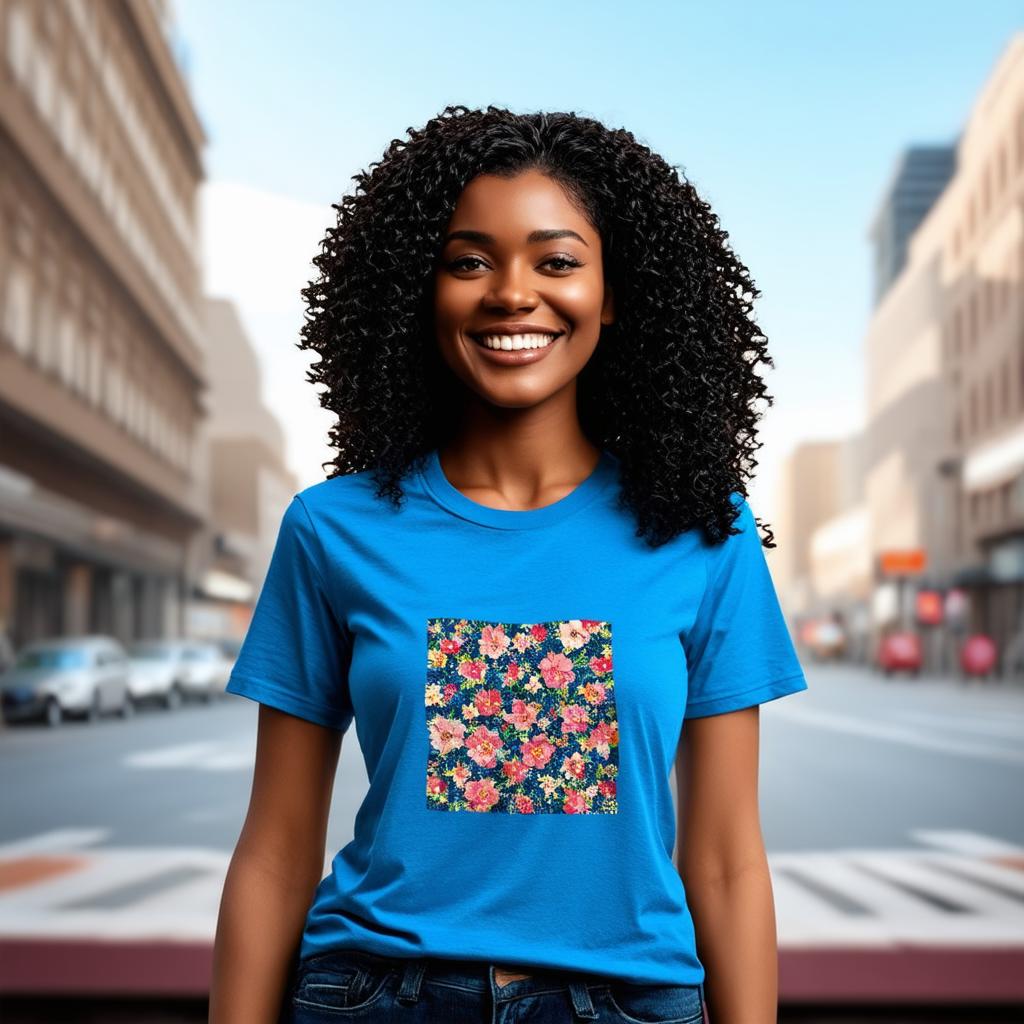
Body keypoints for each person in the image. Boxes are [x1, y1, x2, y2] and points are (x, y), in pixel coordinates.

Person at [209, 105, 808, 1024]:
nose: (510, 294)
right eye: (469, 261)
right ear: (425, 288)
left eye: (557, 261)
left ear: (613, 294)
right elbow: (276, 851)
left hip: (630, 1004)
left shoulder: (702, 531)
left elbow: (727, 861)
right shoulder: (333, 530)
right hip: (377, 997)